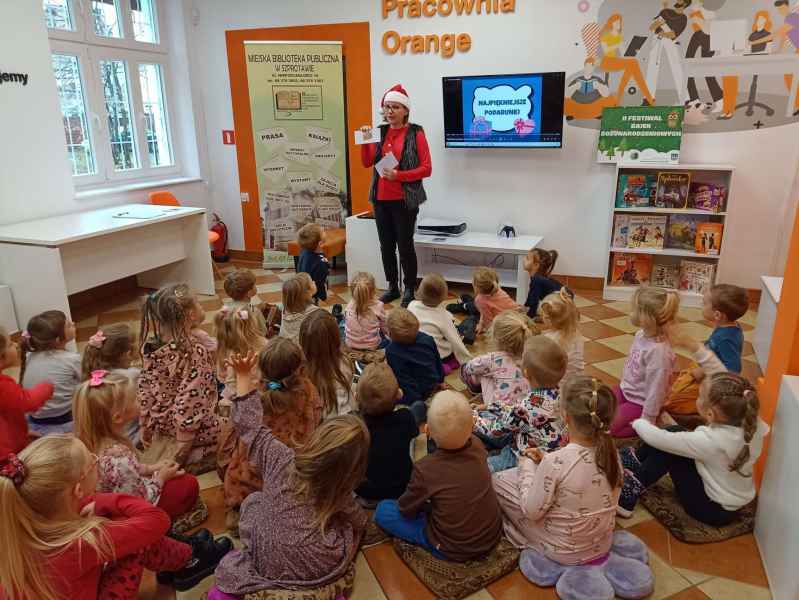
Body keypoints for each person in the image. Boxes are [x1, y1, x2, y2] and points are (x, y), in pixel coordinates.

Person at [210, 352, 368, 598]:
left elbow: (250, 426)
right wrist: (360, 524)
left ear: (318, 439)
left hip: (264, 555)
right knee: (347, 529)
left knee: (254, 501)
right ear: (352, 470)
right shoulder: (339, 490)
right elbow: (357, 520)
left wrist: (242, 376)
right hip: (313, 566)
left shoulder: (281, 458)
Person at [0, 435, 229, 598]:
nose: (95, 460)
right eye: (92, 462)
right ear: (78, 490)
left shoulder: (13, 530)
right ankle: (191, 559)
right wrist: (102, 499)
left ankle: (188, 556)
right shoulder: (87, 540)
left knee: (129, 532)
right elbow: (158, 520)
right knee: (137, 541)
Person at [617, 324, 769, 525]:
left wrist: (640, 422)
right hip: (729, 500)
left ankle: (629, 494)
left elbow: (660, 439)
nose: (697, 396)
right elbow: (721, 376)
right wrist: (694, 347)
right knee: (675, 431)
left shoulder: (710, 441)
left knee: (671, 447)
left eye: (700, 396)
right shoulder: (750, 419)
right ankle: (637, 460)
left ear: (709, 413)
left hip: (709, 509)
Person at [492, 376, 622, 565]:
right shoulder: (613, 455)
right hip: (601, 544)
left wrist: (527, 465)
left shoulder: (556, 462)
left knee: (497, 480)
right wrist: (544, 459)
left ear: (566, 417)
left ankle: (523, 539)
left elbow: (531, 512)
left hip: (561, 551)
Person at [374, 391, 503, 562]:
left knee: (384, 510)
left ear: (426, 430)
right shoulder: (478, 446)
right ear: (472, 426)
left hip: (451, 547)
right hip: (491, 536)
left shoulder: (425, 469)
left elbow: (405, 509)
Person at [221, 337, 322, 529]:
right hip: (289, 475)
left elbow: (237, 425)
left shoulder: (251, 396)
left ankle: (242, 511)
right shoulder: (309, 391)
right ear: (300, 370)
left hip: (248, 478)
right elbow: (314, 426)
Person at [73, 369, 201, 520]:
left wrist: (152, 468)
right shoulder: (119, 456)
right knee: (188, 484)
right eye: (135, 399)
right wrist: (161, 478)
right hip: (125, 512)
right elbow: (137, 501)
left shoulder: (89, 443)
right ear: (118, 417)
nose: (140, 398)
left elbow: (126, 474)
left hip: (113, 497)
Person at [360, 84, 432, 308]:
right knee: (386, 245)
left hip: (404, 200)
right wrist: (365, 141)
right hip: (380, 200)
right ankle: (392, 286)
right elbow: (366, 162)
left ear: (405, 110)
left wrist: (399, 175)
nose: (390, 111)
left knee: (405, 245)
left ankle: (409, 287)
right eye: (387, 107)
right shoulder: (378, 131)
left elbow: (426, 168)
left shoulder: (416, 132)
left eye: (395, 107)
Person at [138, 284, 220, 469]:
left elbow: (144, 389)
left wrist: (145, 424)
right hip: (190, 430)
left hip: (160, 424)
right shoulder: (195, 351)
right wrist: (182, 447)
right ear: (190, 314)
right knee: (235, 430)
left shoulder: (151, 347)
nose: (202, 306)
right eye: (198, 303)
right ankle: (196, 454)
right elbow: (190, 400)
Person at [474, 335, 568, 472]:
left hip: (525, 455)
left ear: (526, 373)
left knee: (483, 468)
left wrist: (473, 419)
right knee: (489, 417)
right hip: (543, 446)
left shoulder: (528, 407)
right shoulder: (558, 394)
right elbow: (515, 411)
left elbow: (494, 430)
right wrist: (491, 407)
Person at [666, 284, 748, 416]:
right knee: (673, 388)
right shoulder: (728, 326)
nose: (701, 305)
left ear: (717, 315)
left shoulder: (727, 338)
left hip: (712, 381)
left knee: (672, 402)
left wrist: (704, 371)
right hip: (704, 369)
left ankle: (709, 411)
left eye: (704, 303)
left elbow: (733, 370)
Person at [610, 287, 679, 438]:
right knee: (598, 405)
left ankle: (657, 423)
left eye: (635, 310)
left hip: (640, 402)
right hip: (626, 390)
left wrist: (648, 420)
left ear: (649, 318)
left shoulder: (659, 353)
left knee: (611, 428)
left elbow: (656, 390)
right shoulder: (641, 334)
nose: (631, 313)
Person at [355, 362, 422, 504]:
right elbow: (415, 433)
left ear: (356, 398)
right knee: (419, 407)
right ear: (399, 394)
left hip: (367, 492)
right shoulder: (405, 417)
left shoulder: (355, 428)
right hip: (401, 487)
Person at [20, 310, 79, 436]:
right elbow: (87, 382)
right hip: (65, 423)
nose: (73, 323)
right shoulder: (72, 359)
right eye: (69, 325)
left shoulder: (29, 355)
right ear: (58, 340)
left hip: (34, 422)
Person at [461, 310, 534, 409]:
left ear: (496, 338)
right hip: (522, 410)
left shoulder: (493, 359)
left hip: (498, 412)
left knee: (473, 369)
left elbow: (470, 368)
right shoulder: (531, 356)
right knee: (493, 371)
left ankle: (475, 390)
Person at [0, 327, 53, 456]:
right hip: (7, 454)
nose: (15, 344)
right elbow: (28, 401)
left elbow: (6, 412)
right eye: (10, 343)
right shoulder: (3, 385)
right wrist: (46, 387)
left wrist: (21, 433)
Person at [408, 273, 471, 374]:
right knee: (459, 334)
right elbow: (455, 341)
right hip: (438, 356)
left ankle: (434, 366)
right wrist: (467, 360)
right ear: (443, 297)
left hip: (416, 352)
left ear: (419, 292)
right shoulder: (444, 316)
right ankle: (441, 365)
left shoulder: (411, 305)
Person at [299, 310, 357, 419]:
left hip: (317, 422)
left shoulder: (298, 369)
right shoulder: (345, 362)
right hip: (341, 421)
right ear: (336, 339)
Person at [385, 307, 445, 405]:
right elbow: (438, 361)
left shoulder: (391, 351)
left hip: (415, 393)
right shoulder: (427, 339)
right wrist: (441, 380)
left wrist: (414, 399)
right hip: (432, 383)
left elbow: (401, 378)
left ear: (390, 335)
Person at [599, 14, 656, 105]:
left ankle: (617, 101)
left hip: (616, 61)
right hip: (607, 61)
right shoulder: (605, 33)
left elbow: (623, 54)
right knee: (633, 64)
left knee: (632, 65)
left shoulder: (619, 35)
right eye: (616, 22)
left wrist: (633, 49)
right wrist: (617, 44)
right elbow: (605, 50)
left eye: (620, 22)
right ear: (611, 23)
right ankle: (648, 98)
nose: (619, 24)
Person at [646, 0, 691, 106]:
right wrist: (658, 24)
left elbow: (673, 35)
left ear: (685, 4)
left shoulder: (683, 18)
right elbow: (652, 27)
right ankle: (648, 98)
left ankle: (685, 98)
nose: (677, 1)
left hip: (670, 41)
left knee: (676, 67)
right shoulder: (665, 11)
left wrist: (664, 33)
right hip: (657, 39)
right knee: (652, 67)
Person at [540, 289, 585, 386]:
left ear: (547, 319)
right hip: (577, 382)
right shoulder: (576, 334)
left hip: (558, 386)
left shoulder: (548, 339)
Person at [685, 0, 724, 113]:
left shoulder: (708, 12)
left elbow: (707, 30)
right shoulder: (695, 9)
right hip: (698, 35)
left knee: (707, 71)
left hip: (708, 37)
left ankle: (720, 99)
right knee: (687, 66)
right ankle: (694, 99)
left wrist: (696, 15)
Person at [344, 271, 388, 351]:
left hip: (350, 345)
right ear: (374, 290)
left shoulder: (349, 305)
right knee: (389, 341)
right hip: (372, 347)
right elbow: (385, 329)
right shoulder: (378, 306)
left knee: (342, 324)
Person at [472, 266, 521, 335]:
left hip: (510, 326)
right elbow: (483, 312)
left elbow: (490, 324)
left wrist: (485, 329)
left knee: (472, 315)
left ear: (476, 287)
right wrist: (481, 324)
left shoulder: (480, 300)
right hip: (519, 316)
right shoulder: (497, 289)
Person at [278, 273, 321, 345]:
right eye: (311, 282)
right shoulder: (315, 312)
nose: (314, 282)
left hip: (284, 346)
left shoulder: (285, 307)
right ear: (307, 292)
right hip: (302, 350)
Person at [523, 248, 563, 319]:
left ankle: (557, 316)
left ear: (536, 265)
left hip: (563, 303)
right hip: (562, 299)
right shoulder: (537, 278)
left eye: (527, 258)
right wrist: (525, 306)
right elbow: (531, 295)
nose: (524, 259)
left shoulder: (537, 279)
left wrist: (528, 316)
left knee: (539, 309)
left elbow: (534, 301)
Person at [775, 0, 799, 117]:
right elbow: (784, 36)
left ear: (787, 6)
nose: (780, 11)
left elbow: (777, 33)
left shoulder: (792, 17)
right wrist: (779, 51)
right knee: (789, 75)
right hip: (797, 51)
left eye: (782, 8)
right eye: (779, 9)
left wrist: (752, 42)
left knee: (791, 75)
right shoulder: (788, 19)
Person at [296, 222, 330, 304]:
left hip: (302, 292)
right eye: (323, 232)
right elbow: (320, 283)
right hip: (313, 296)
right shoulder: (320, 264)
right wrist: (324, 297)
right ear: (320, 243)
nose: (324, 231)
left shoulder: (304, 251)